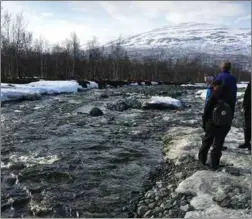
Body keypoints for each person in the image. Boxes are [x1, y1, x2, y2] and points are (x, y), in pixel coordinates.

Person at [198, 80, 235, 170]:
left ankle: (202, 161)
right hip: (224, 124)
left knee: (207, 142)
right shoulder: (230, 97)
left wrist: (204, 124)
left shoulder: (213, 96)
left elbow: (206, 111)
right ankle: (214, 165)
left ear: (216, 87)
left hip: (212, 123)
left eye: (213, 87)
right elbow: (232, 112)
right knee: (218, 145)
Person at [238, 81, 251, 151]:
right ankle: (247, 142)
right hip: (249, 108)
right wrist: (244, 106)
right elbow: (247, 95)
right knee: (247, 126)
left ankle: (247, 142)